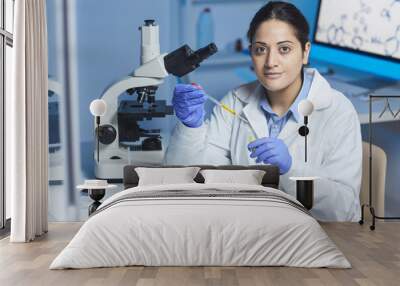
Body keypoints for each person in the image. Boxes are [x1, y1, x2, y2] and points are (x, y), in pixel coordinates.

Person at [165, 1, 362, 222]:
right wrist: (191, 128)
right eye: (261, 49)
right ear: (251, 54)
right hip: (246, 231)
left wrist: (290, 169)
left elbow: (344, 210)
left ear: (305, 52)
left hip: (313, 239)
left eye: (284, 49)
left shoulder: (338, 111)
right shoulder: (236, 101)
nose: (270, 62)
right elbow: (192, 180)